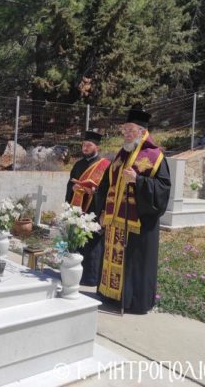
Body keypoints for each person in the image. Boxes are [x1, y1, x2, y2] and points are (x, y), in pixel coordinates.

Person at [97, 106, 171, 314]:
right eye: (124, 130)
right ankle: (110, 296)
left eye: (130, 130)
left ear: (142, 131)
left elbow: (163, 188)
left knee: (134, 262)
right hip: (114, 221)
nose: (126, 134)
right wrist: (102, 211)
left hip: (138, 223)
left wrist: (138, 180)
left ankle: (132, 301)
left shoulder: (155, 156)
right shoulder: (121, 155)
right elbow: (106, 184)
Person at [65, 130, 110, 286]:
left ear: (97, 146)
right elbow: (70, 183)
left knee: (92, 244)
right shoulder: (78, 164)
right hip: (78, 209)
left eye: (88, 145)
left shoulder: (106, 166)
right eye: (83, 145)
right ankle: (74, 273)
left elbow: (108, 188)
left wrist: (94, 192)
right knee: (77, 241)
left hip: (94, 209)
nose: (85, 148)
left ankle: (91, 278)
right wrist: (73, 188)